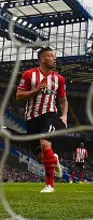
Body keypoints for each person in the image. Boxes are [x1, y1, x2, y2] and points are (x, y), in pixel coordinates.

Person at [16, 47, 66, 193]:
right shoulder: (28, 75)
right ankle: (54, 159)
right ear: (43, 59)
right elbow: (18, 96)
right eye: (52, 56)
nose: (55, 59)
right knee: (39, 157)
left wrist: (64, 115)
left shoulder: (59, 79)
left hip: (50, 114)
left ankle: (49, 185)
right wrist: (36, 90)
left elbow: (63, 100)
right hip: (31, 118)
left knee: (45, 144)